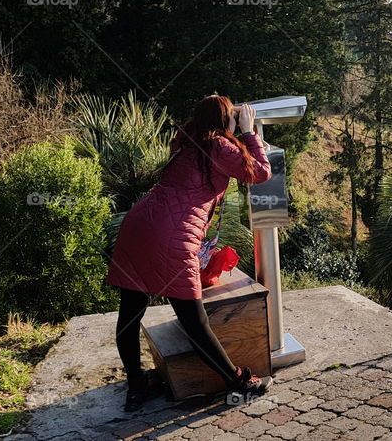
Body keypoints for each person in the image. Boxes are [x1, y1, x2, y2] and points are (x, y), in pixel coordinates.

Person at [106, 95, 273, 411]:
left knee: (130, 313)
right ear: (225, 121)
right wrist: (249, 132)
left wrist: (226, 120)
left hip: (138, 225)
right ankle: (239, 382)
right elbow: (261, 173)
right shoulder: (219, 147)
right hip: (171, 237)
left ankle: (137, 385)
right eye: (232, 117)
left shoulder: (187, 142)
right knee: (194, 320)